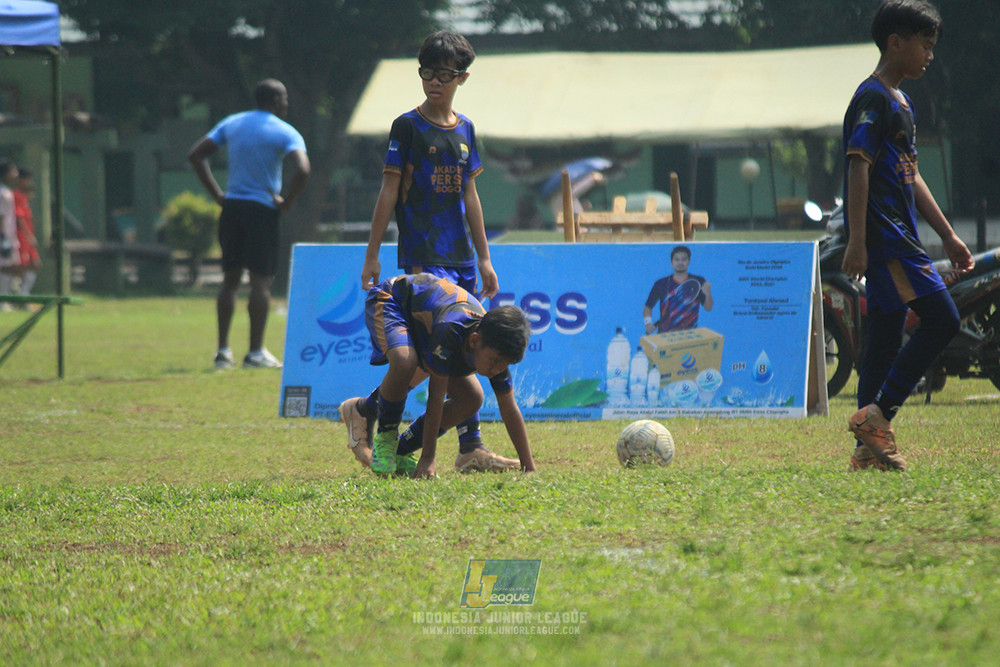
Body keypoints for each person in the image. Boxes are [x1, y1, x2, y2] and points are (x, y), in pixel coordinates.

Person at [353, 31, 515, 472]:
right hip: (423, 255)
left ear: (462, 77)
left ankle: (467, 447)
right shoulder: (407, 126)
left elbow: (471, 196)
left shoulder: (465, 129)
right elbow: (388, 190)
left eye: (444, 74)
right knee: (434, 354)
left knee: (464, 348)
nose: (434, 82)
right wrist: (372, 253)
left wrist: (484, 257)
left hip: (462, 258)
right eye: (427, 73)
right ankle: (378, 417)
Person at [841, 0, 974, 472]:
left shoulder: (902, 102)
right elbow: (859, 166)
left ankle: (867, 451)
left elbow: (911, 175)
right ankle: (878, 416)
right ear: (895, 43)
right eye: (925, 45)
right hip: (887, 238)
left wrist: (948, 235)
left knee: (883, 337)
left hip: (901, 235)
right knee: (943, 319)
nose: (930, 55)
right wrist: (858, 240)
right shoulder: (873, 98)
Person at [341, 273, 536, 479]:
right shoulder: (451, 331)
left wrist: (528, 467)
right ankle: (386, 439)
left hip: (429, 323)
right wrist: (428, 457)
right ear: (474, 341)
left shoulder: (497, 350)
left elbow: (509, 409)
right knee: (405, 361)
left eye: (504, 364)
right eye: (495, 361)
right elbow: (436, 396)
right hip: (392, 300)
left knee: (472, 398)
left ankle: (399, 450)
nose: (497, 369)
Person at [188, 78, 310, 369]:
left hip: (232, 207)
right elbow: (303, 169)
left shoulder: (232, 123)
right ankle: (255, 354)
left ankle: (222, 352)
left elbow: (196, 155)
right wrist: (287, 202)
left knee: (229, 280)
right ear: (276, 101)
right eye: (284, 99)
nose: (286, 104)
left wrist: (217, 194)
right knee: (260, 282)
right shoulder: (285, 131)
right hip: (262, 210)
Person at [642, 245, 713, 334]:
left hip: (690, 335)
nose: (680, 263)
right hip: (665, 335)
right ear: (671, 262)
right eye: (677, 260)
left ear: (689, 261)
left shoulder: (698, 281)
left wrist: (708, 292)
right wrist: (648, 323)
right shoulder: (660, 284)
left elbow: (708, 307)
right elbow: (648, 307)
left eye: (684, 259)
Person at [13, 167, 41, 300]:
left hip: (26, 239)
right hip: (20, 238)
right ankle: (18, 296)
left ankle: (23, 294)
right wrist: (29, 236)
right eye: (27, 179)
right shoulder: (16, 196)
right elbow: (19, 218)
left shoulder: (23, 197)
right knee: (20, 267)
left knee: (34, 264)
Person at [0, 160, 20, 307]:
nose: (16, 174)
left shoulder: (7, 192)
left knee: (10, 267)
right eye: (14, 171)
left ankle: (6, 297)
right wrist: (3, 238)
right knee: (5, 267)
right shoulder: (3, 193)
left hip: (9, 235)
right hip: (4, 235)